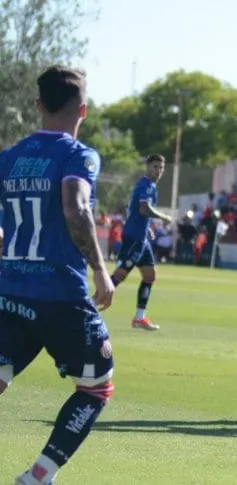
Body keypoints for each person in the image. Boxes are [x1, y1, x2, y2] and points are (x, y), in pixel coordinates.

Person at [0, 65, 116, 485]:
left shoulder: (9, 158)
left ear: (37, 104)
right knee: (95, 387)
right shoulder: (78, 155)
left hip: (9, 289)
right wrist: (101, 270)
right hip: (61, 295)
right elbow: (75, 206)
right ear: (82, 110)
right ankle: (38, 475)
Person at [111, 154, 172, 331]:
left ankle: (139, 318)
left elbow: (134, 211)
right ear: (147, 167)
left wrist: (148, 228)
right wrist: (163, 217)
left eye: (161, 168)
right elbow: (144, 208)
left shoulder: (147, 185)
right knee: (119, 276)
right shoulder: (146, 185)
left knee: (150, 276)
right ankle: (88, 306)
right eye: (155, 167)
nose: (158, 171)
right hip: (134, 238)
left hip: (141, 237)